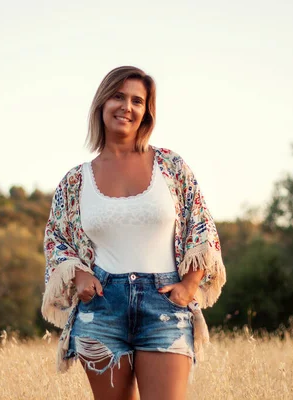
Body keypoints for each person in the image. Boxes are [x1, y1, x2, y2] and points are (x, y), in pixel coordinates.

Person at [42, 66, 226, 400]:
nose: (127, 107)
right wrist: (80, 275)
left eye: (137, 101)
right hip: (101, 308)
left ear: (146, 112)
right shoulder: (75, 181)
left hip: (164, 304)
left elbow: (201, 225)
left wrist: (189, 286)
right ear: (102, 103)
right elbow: (57, 239)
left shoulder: (171, 166)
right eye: (118, 96)